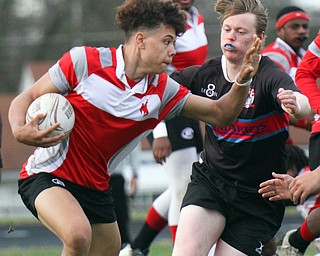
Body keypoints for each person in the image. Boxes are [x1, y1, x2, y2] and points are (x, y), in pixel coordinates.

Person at [8, 0, 262, 255]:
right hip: (46, 174)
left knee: (109, 248)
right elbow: (27, 97)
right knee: (78, 235)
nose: (173, 50)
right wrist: (19, 129)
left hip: (96, 187)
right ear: (140, 40)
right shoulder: (84, 61)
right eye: (167, 41)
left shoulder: (163, 91)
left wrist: (244, 79)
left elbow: (222, 113)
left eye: (174, 42)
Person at [169, 0, 311, 255]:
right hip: (211, 183)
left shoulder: (269, 74)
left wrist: (295, 104)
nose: (231, 36)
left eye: (241, 31)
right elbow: (158, 89)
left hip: (259, 197)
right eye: (226, 29)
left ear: (260, 37)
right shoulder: (205, 75)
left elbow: (301, 101)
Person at [121, 0, 208, 255]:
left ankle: (136, 248)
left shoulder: (196, 18)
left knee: (183, 183)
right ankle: (180, 250)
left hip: (187, 104)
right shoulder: (159, 22)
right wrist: (159, 132)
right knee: (183, 186)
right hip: (164, 107)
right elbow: (150, 74)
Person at [259, 31, 320, 256]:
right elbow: (305, 73)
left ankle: (294, 242)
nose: (302, 31)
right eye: (296, 25)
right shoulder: (275, 57)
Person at [261, 5, 311, 145]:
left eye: (305, 26)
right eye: (294, 27)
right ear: (279, 30)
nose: (301, 31)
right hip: (262, 133)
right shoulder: (275, 56)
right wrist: (311, 123)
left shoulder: (301, 55)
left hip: (278, 130)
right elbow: (272, 101)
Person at [109, 146, 139, 252]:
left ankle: (126, 247)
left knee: (121, 218)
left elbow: (133, 146)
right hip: (94, 179)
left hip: (114, 178)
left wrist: (135, 174)